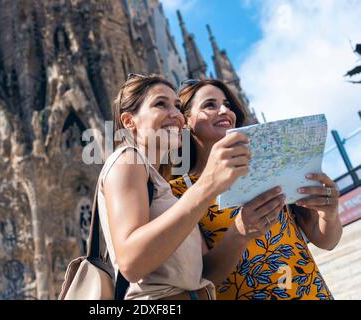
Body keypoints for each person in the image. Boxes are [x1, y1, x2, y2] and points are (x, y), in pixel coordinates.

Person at [97, 73, 271, 300]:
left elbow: (204, 275)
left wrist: (241, 230)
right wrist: (209, 184)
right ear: (129, 121)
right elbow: (131, 263)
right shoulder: (127, 160)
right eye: (161, 104)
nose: (176, 115)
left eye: (178, 107)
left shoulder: (165, 191)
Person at [170, 79, 342, 300]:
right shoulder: (178, 193)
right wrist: (240, 233)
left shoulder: (270, 165)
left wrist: (330, 212)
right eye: (210, 105)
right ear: (185, 122)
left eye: (228, 104)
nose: (224, 110)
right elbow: (202, 279)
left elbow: (326, 241)